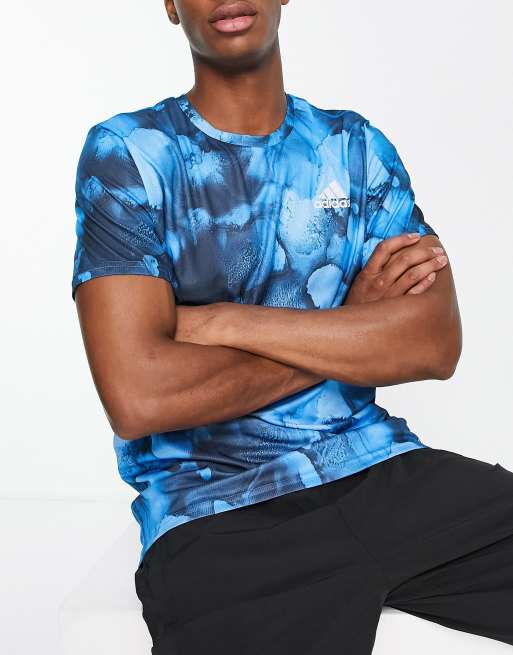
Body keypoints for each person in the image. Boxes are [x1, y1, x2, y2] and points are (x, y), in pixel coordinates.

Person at [71, 1, 513, 652]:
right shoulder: (130, 154)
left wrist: (219, 322)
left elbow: (433, 343)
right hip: (218, 511)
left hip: (380, 467)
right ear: (169, 4)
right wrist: (352, 327)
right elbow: (140, 396)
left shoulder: (355, 148)